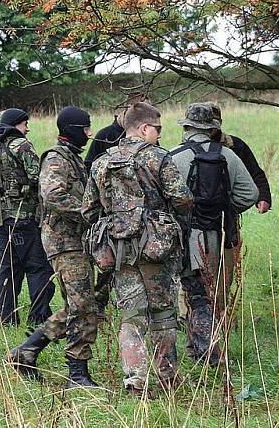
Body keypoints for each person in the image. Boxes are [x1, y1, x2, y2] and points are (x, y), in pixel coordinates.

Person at [82, 102, 194, 395]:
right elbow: (181, 198)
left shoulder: (101, 162)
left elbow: (88, 209)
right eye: (157, 128)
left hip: (119, 249)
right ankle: (168, 377)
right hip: (157, 248)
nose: (159, 133)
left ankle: (134, 381)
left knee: (131, 316)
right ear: (144, 128)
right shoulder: (159, 158)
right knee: (163, 314)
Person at [7, 106, 100, 387]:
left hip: (74, 241)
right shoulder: (56, 159)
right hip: (64, 242)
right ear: (73, 129)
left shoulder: (72, 158)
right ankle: (77, 374)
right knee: (83, 307)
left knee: (78, 306)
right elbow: (52, 194)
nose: (89, 134)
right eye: (85, 129)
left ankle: (26, 352)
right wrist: (88, 212)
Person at [171, 103, 258, 364]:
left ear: (187, 128)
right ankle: (213, 348)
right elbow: (251, 194)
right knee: (216, 293)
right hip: (221, 235)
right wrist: (225, 209)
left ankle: (198, 348)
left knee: (193, 292)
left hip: (188, 237)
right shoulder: (229, 156)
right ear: (212, 129)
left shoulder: (173, 156)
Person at [0, 108, 54, 328]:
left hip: (0, 222)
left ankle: (7, 320)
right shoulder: (22, 146)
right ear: (15, 125)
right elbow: (38, 178)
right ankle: (39, 318)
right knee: (38, 267)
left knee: (7, 270)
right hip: (24, 218)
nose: (27, 128)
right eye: (24, 124)